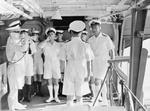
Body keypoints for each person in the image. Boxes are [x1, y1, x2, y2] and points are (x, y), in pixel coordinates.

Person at [60, 20, 93, 106]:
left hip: (70, 69)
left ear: (71, 32)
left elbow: (62, 61)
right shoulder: (86, 45)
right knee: (79, 95)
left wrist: (62, 74)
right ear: (81, 32)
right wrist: (89, 74)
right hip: (82, 70)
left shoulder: (66, 45)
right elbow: (89, 61)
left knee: (69, 96)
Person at [88, 20, 115, 105]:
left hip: (103, 62)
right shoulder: (90, 40)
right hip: (94, 63)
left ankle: (100, 99)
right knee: (99, 81)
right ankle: (101, 99)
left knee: (99, 80)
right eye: (93, 28)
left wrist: (112, 62)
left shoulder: (105, 37)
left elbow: (111, 50)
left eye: (96, 27)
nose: (94, 29)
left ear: (100, 28)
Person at [6, 21, 28, 111]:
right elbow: (23, 49)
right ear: (12, 32)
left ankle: (16, 104)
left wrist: (24, 40)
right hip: (14, 67)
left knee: (16, 87)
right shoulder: (12, 40)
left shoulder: (13, 39)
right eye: (17, 32)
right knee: (13, 89)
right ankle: (11, 108)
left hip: (17, 67)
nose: (19, 33)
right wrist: (25, 40)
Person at [39, 27, 61, 103]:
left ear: (55, 36)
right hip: (47, 63)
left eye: (52, 34)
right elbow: (39, 46)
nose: (51, 36)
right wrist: (46, 40)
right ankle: (51, 96)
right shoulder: (45, 44)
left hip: (56, 64)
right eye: (49, 34)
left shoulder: (58, 44)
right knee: (49, 81)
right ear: (47, 36)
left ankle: (56, 97)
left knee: (56, 81)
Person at [21, 30, 36, 102]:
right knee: (22, 78)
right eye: (23, 34)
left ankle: (28, 96)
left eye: (25, 34)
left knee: (28, 78)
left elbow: (33, 52)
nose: (24, 35)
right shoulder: (20, 42)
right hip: (21, 61)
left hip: (29, 61)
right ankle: (22, 96)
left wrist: (29, 43)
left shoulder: (31, 42)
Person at [81, 31, 95, 99]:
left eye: (84, 36)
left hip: (88, 64)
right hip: (80, 65)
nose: (83, 37)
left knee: (89, 79)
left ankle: (93, 94)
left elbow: (91, 57)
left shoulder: (88, 45)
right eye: (82, 35)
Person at [32, 30, 44, 97]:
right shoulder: (30, 43)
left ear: (38, 35)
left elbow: (43, 53)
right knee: (34, 76)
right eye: (34, 34)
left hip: (39, 60)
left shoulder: (41, 43)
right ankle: (35, 91)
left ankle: (39, 91)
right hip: (33, 61)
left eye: (36, 34)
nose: (35, 36)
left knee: (39, 76)